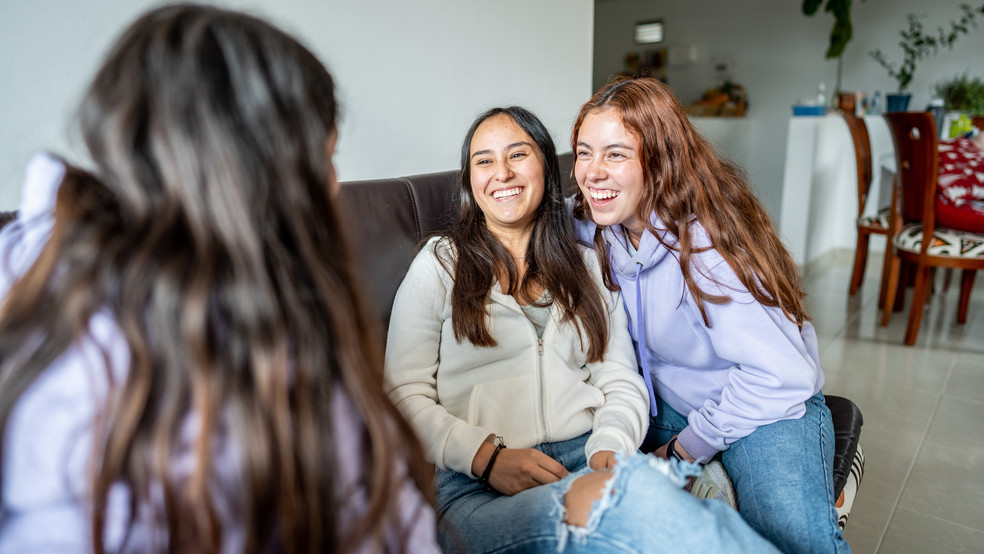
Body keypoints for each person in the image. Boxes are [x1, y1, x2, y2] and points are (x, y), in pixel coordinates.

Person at [0, 5, 437, 553]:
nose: (332, 186)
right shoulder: (278, 351)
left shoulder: (29, 270)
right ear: (257, 171)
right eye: (323, 160)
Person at [384, 105, 778, 553]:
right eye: (484, 161)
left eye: (518, 154)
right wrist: (487, 458)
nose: (502, 173)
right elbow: (402, 396)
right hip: (473, 487)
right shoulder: (439, 266)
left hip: (585, 459)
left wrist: (610, 449)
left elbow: (619, 378)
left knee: (628, 509)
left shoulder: (588, 265)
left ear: (546, 169)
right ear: (470, 180)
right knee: (631, 512)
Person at [570, 76, 849, 554]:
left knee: (794, 539)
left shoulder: (708, 246)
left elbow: (780, 377)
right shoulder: (591, 224)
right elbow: (521, 218)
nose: (593, 172)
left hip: (764, 405)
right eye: (583, 152)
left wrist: (686, 449)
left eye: (616, 154)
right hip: (663, 408)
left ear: (659, 160)